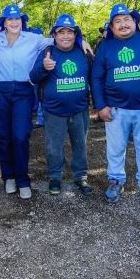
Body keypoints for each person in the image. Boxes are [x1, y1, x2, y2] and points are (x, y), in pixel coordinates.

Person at [91, 3, 140, 207]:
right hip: (116, 110)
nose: (123, 24)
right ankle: (116, 180)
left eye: (127, 19)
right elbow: (97, 77)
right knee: (115, 149)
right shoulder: (105, 47)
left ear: (134, 21)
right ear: (111, 27)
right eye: (117, 21)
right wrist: (101, 105)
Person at [0, 4, 55, 199]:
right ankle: (9, 177)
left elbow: (60, 40)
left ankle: (22, 178)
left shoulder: (34, 39)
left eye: (17, 19)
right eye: (10, 19)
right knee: (3, 135)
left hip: (23, 90)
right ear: (4, 23)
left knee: (20, 136)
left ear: (22, 22)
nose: (14, 22)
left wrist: (81, 41)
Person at [29, 14, 93, 196]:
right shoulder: (47, 52)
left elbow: (94, 78)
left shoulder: (83, 52)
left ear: (76, 35)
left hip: (80, 109)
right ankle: (55, 177)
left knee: (80, 145)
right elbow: (33, 78)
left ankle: (81, 176)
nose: (66, 36)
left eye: (70, 32)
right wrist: (44, 66)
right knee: (54, 147)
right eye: (61, 32)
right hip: (54, 110)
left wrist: (97, 104)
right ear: (54, 35)